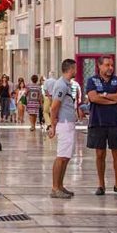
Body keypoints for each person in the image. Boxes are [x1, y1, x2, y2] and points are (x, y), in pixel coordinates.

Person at [85, 56, 117, 196]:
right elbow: (93, 98)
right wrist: (112, 99)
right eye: (107, 65)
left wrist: (104, 95)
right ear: (99, 66)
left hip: (115, 122)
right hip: (98, 122)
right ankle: (101, 185)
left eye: (112, 65)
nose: (110, 68)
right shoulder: (92, 80)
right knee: (100, 154)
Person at [48, 59, 79, 198]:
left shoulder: (66, 84)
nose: (76, 71)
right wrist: (52, 125)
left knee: (66, 156)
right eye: (75, 68)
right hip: (64, 123)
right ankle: (55, 188)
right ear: (71, 69)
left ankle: (60, 185)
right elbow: (54, 107)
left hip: (69, 122)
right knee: (61, 157)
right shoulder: (61, 85)